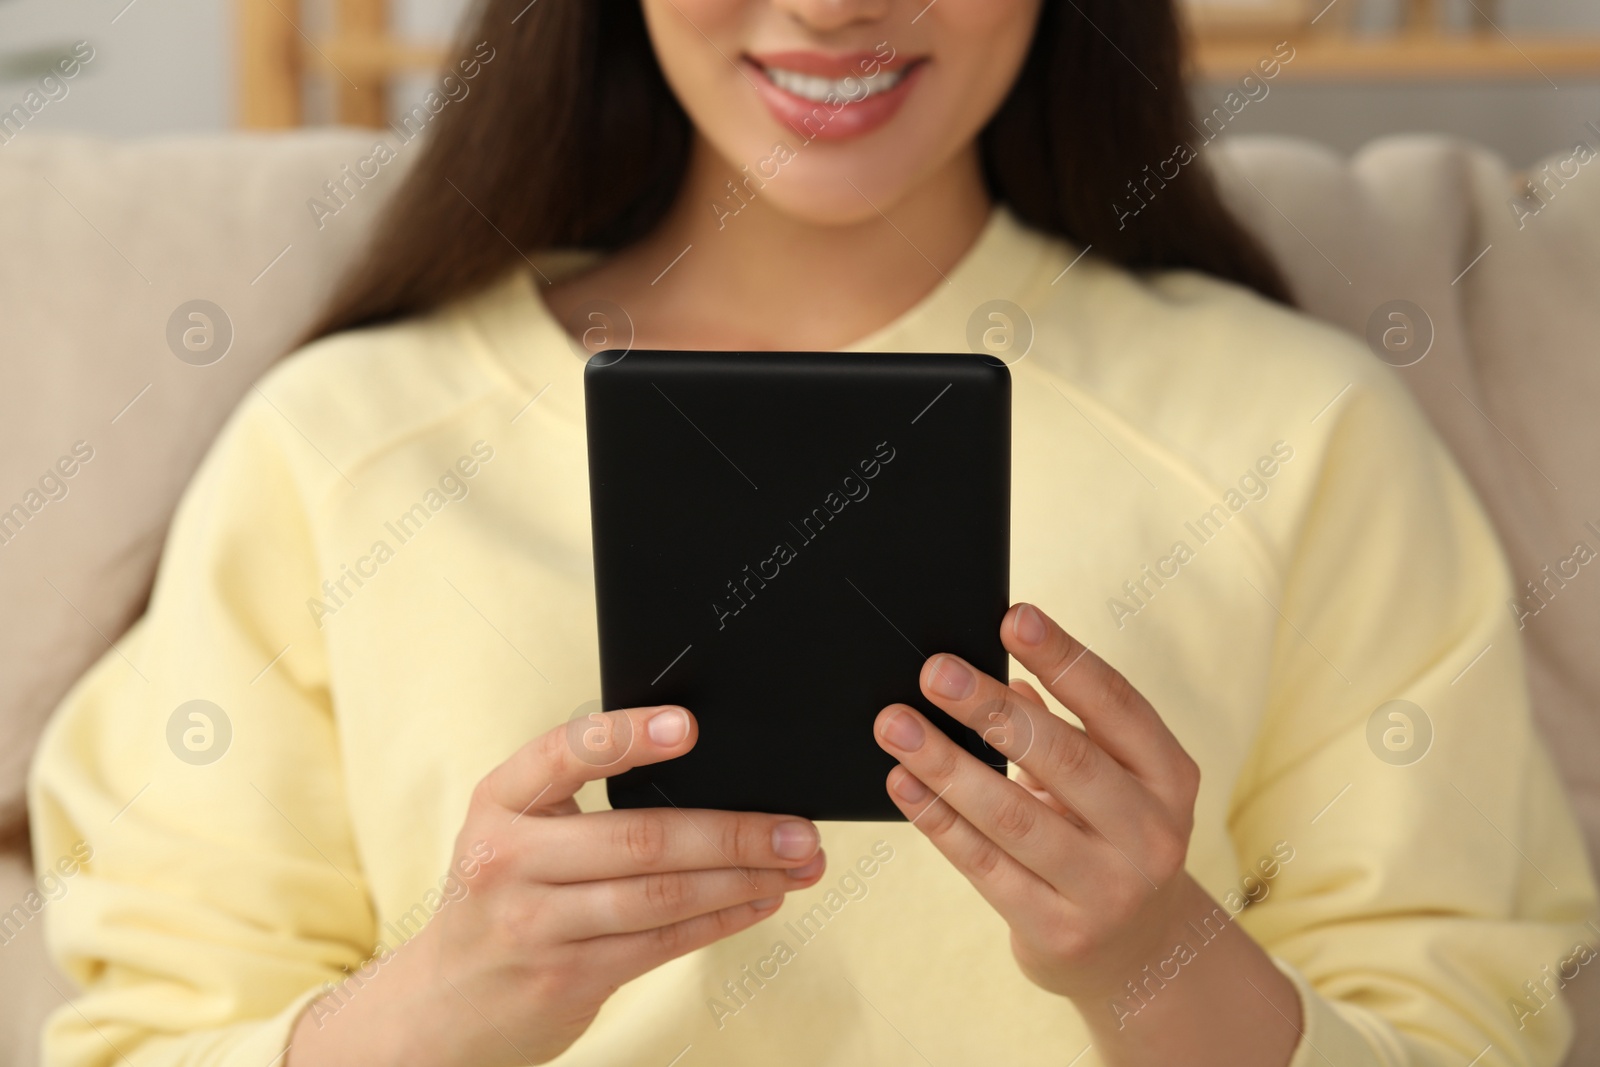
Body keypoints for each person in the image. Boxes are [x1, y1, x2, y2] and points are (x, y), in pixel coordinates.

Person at [29, 1, 1597, 1065]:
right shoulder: (342, 444)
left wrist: (1151, 958)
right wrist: (447, 1002)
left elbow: (1468, 1023)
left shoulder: (1296, 425)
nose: (835, 3)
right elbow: (148, 1028)